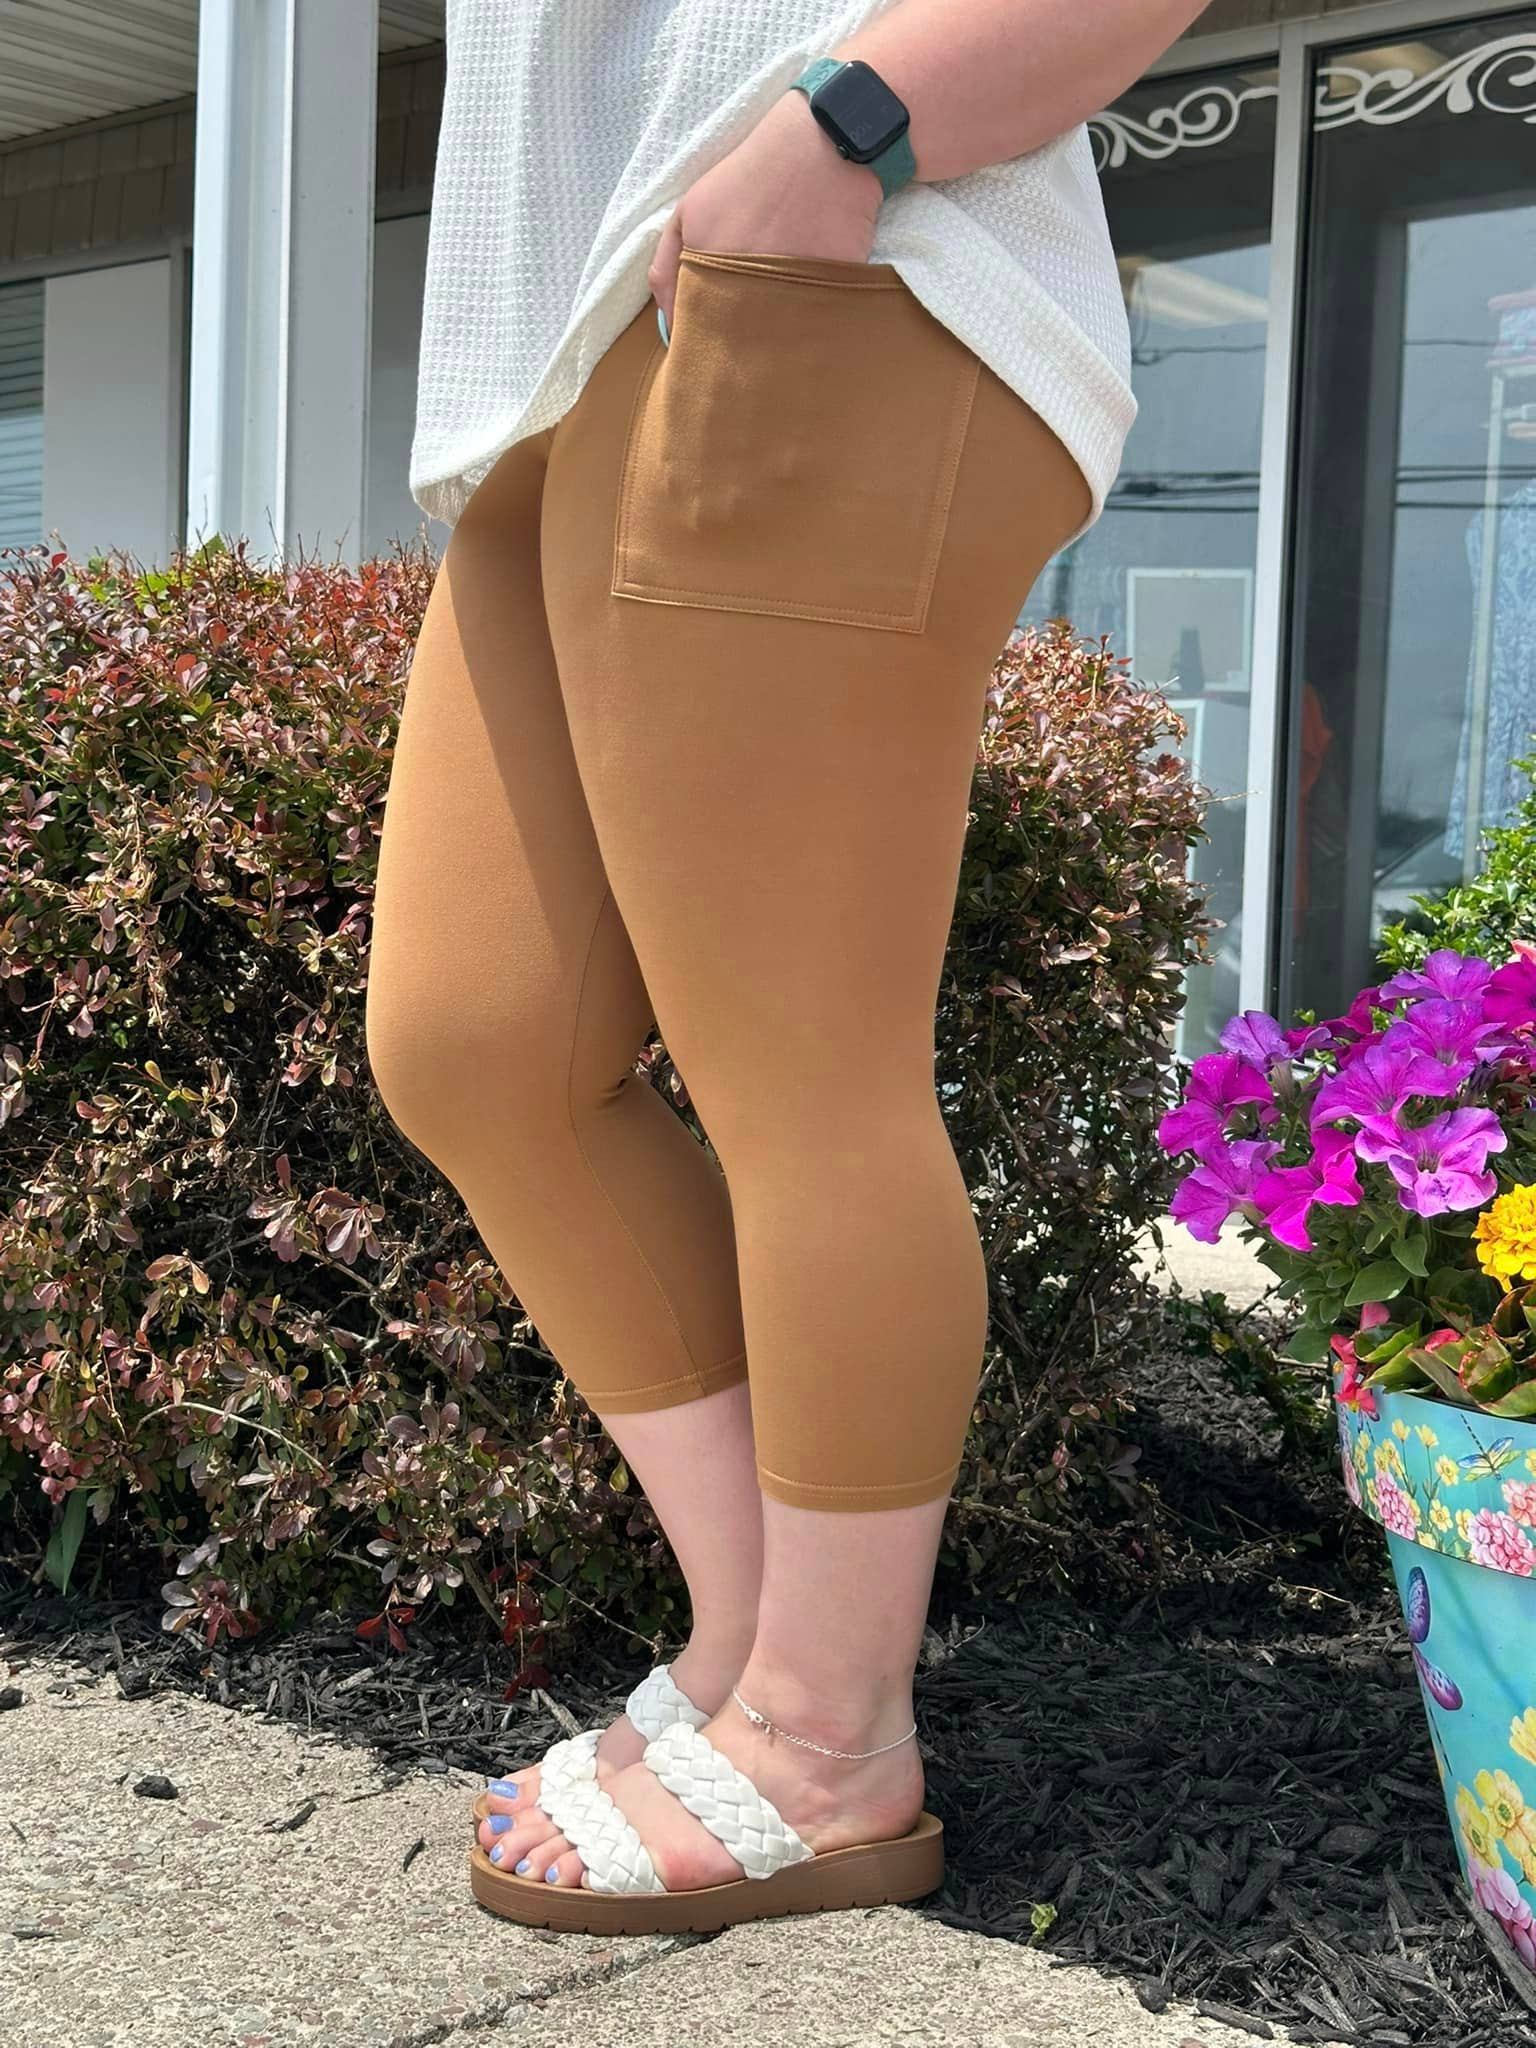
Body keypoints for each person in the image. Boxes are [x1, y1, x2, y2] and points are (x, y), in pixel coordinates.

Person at [366, 0, 1210, 1933]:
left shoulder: (829, 171)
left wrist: (848, 128)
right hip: (564, 338)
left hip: (833, 244)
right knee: (478, 1042)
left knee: (801, 1068)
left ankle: (830, 1743)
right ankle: (756, 1649)